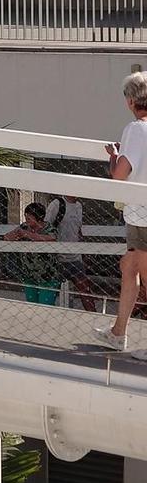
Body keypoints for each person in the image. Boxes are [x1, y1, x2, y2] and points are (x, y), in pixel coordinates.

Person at [99, 71, 147, 352]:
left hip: (140, 213)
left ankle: (118, 334)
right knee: (128, 267)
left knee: (138, 271)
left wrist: (114, 156)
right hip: (141, 214)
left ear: (131, 101)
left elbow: (120, 175)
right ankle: (118, 332)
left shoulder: (134, 130)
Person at [1, 203, 61, 304]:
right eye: (26, 217)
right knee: (31, 304)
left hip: (47, 275)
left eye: (29, 217)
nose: (27, 219)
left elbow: (51, 238)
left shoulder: (49, 228)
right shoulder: (24, 227)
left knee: (45, 305)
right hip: (29, 274)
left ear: (39, 217)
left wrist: (28, 235)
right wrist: (15, 235)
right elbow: (7, 237)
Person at [45, 195, 95, 310]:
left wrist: (84, 252)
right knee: (50, 293)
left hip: (75, 257)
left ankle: (95, 318)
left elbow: (78, 230)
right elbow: (46, 227)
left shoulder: (78, 206)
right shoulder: (56, 204)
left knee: (85, 290)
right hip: (57, 258)